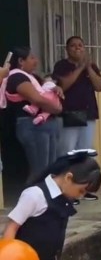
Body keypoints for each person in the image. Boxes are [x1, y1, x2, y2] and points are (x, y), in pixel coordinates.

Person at [0, 47, 62, 183]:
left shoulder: (33, 77)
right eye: (32, 58)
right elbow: (37, 99)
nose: (36, 61)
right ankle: (33, 194)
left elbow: (46, 91)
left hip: (46, 124)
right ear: (21, 61)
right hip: (33, 126)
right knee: (39, 170)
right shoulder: (17, 77)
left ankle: (45, 195)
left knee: (49, 169)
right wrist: (57, 109)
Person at [52, 36, 101, 165]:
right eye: (73, 45)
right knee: (67, 150)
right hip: (69, 113)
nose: (77, 48)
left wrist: (88, 68)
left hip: (88, 113)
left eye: (80, 45)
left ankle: (83, 175)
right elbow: (63, 86)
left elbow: (99, 87)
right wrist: (80, 68)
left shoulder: (91, 66)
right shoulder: (62, 65)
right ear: (67, 49)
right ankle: (65, 174)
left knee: (85, 150)